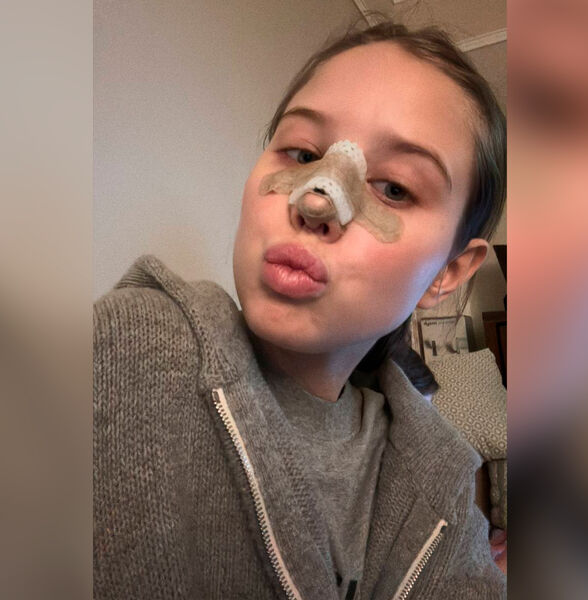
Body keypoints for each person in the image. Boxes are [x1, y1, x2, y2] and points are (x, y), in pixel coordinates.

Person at [94, 20, 506, 600]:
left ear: (448, 272)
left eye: (392, 188)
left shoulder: (444, 489)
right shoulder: (131, 347)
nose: (316, 200)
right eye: (303, 153)